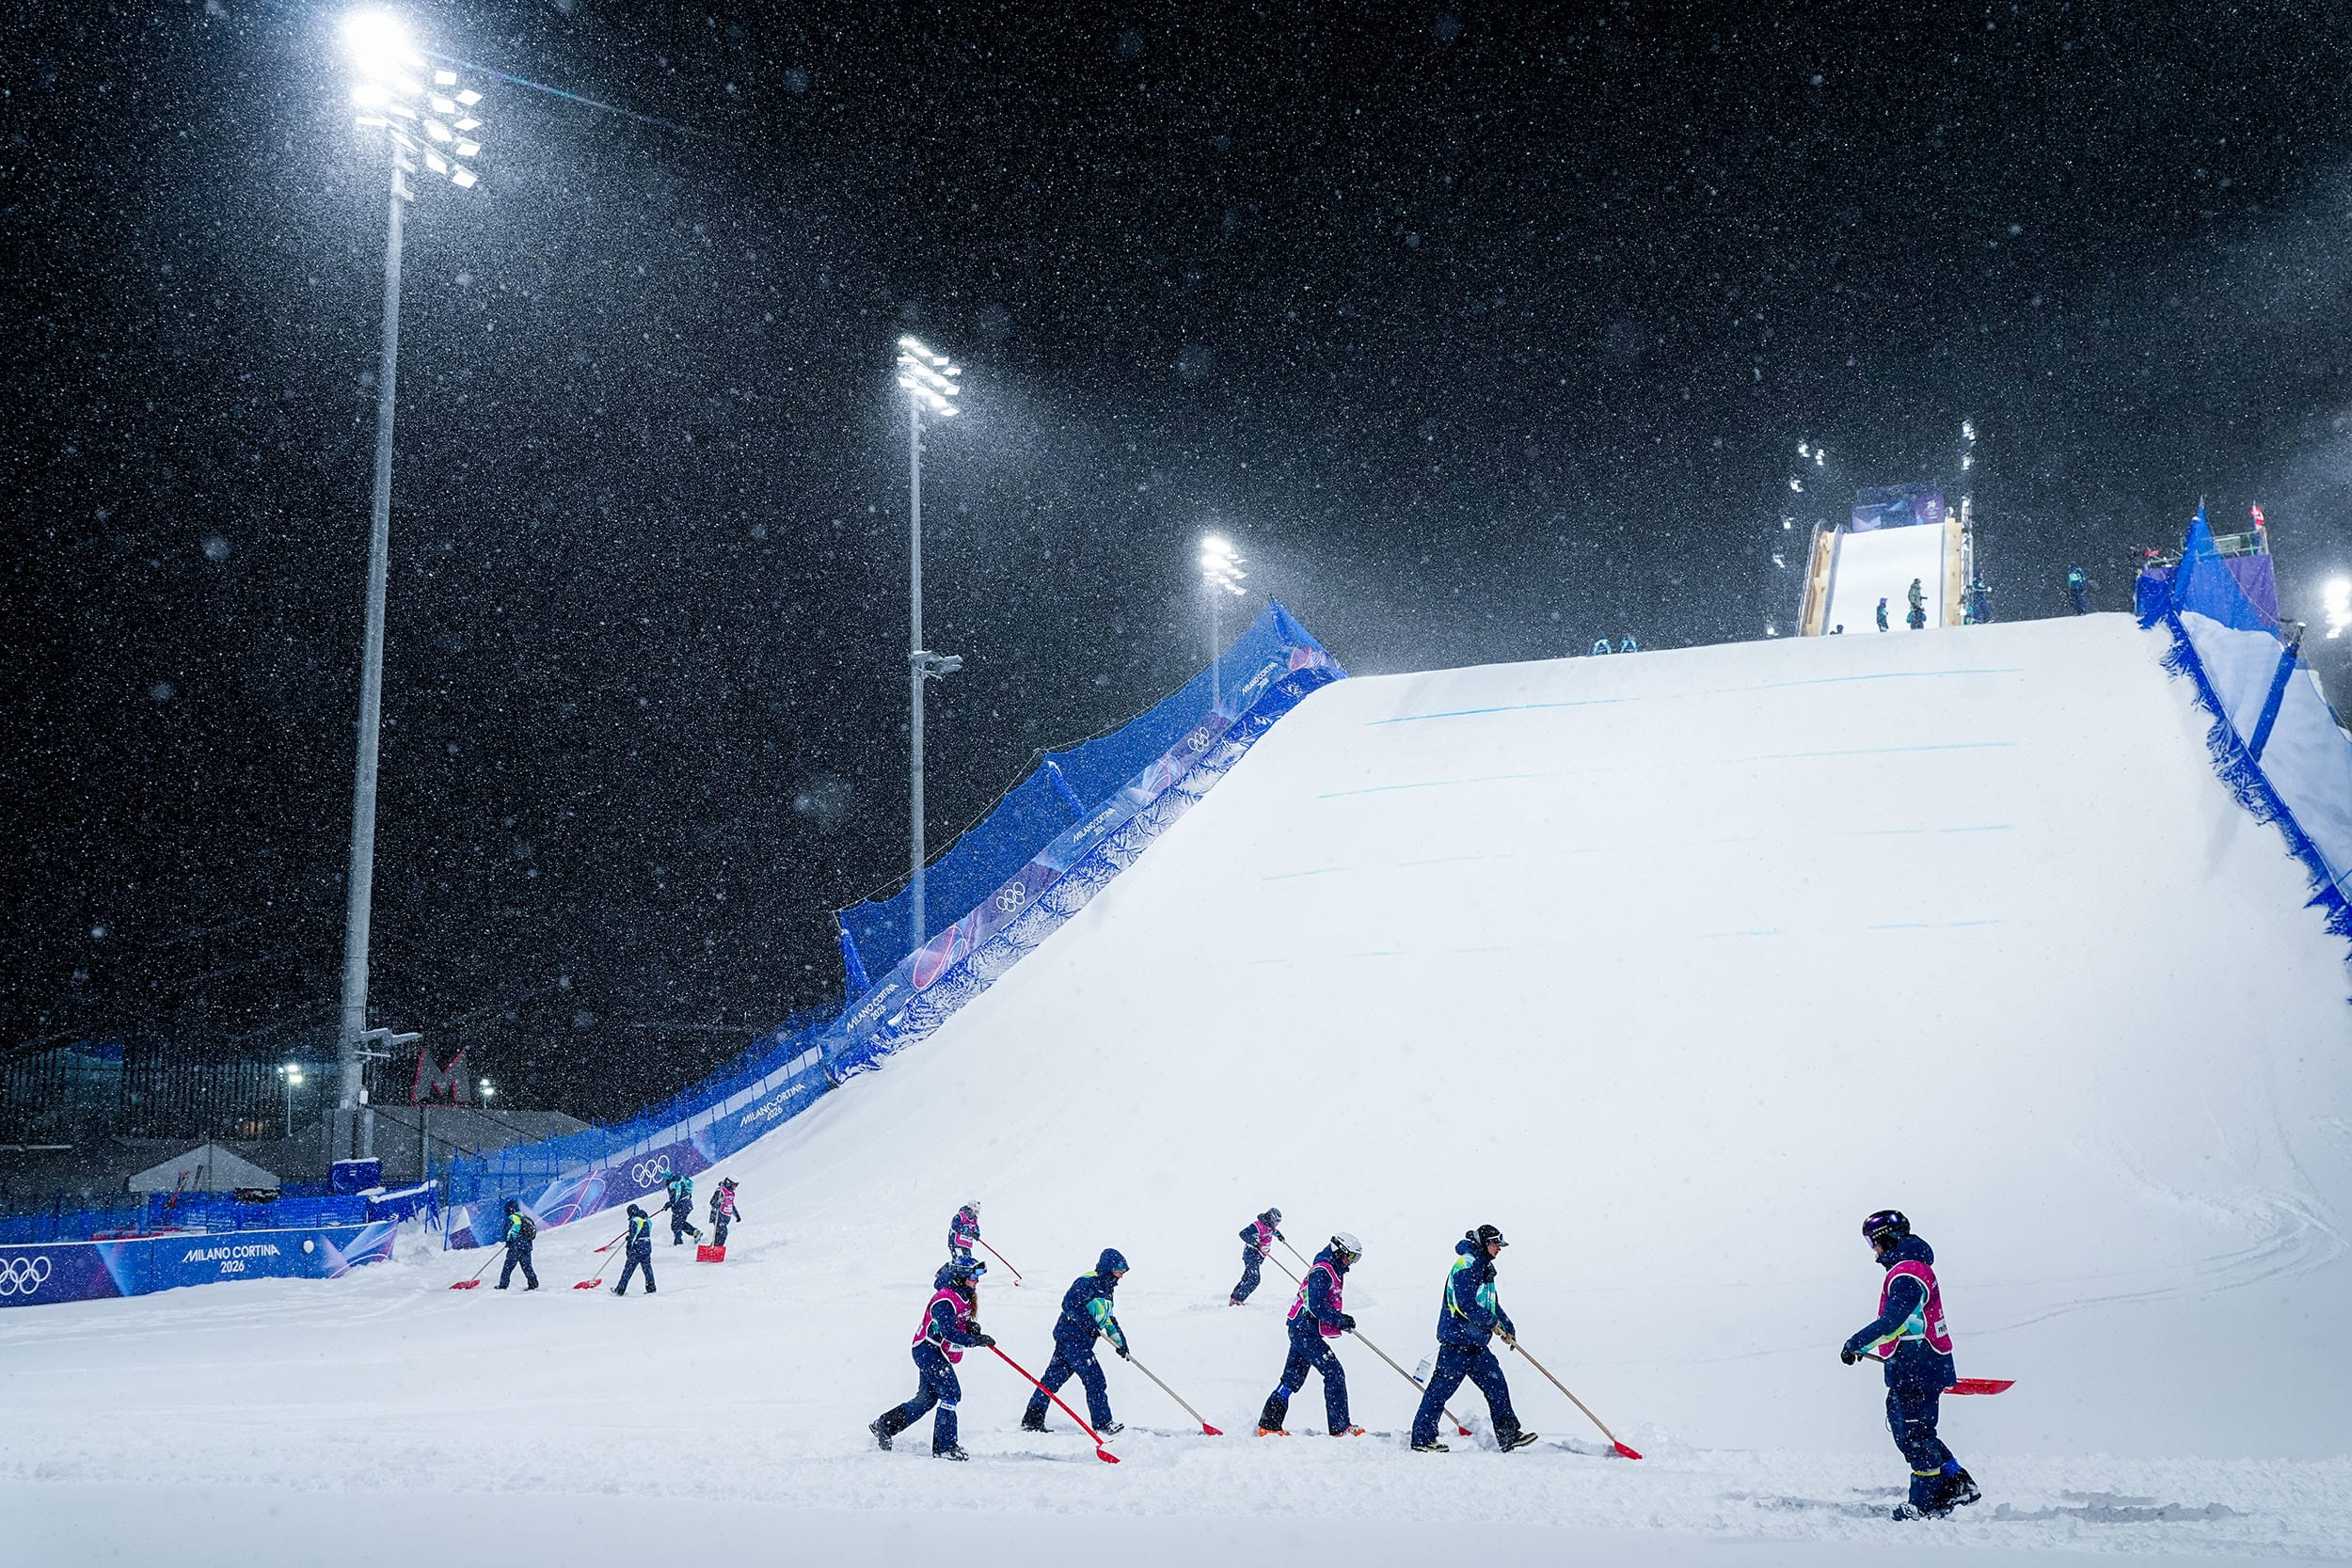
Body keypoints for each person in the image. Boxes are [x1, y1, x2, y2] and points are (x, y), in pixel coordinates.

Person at [1841, 1210, 1980, 1521]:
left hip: (1917, 1365)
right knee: (1909, 1431)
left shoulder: (1907, 1274)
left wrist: (1856, 1343)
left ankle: (1927, 1501)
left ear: (1886, 1240)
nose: (1873, 1251)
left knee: (1916, 1433)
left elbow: (1895, 1321)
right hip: (1914, 1364)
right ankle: (1957, 1481)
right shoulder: (1910, 1269)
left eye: (1872, 1243)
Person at [1411, 1224, 1534, 1453]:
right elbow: (1464, 1304)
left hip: (1476, 1345)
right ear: (1485, 1243)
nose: (1499, 1250)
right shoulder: (1466, 1265)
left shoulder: (1484, 1267)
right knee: (1439, 1392)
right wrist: (1492, 1323)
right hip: (1457, 1343)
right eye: (1496, 1245)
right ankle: (1422, 1438)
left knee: (1497, 1385)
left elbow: (1490, 1303)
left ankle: (1509, 1435)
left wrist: (1507, 1325)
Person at [872, 1257, 993, 1460]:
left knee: (926, 1400)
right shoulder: (945, 1299)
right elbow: (948, 1333)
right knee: (951, 1393)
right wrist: (975, 1340)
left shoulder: (963, 1294)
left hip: (935, 1351)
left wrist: (970, 1327)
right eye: (974, 1276)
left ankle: (884, 1425)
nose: (977, 1280)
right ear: (960, 1277)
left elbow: (957, 1323)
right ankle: (945, 1447)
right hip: (928, 1351)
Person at [1257, 1231, 1365, 1437]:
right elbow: (1316, 1305)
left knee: (1291, 1380)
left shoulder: (1332, 1267)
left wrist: (1339, 1319)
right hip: (1304, 1331)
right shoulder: (1323, 1271)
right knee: (1334, 1373)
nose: (1351, 1263)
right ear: (1338, 1250)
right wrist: (1339, 1319)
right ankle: (1340, 1428)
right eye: (1350, 1257)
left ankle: (1269, 1425)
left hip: (1303, 1329)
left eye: (1355, 1259)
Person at [1021, 1248, 1131, 1435]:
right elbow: (1069, 1304)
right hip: (1072, 1339)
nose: (1121, 1275)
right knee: (1095, 1379)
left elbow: (1108, 1319)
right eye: (1119, 1270)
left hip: (1079, 1341)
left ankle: (1032, 1420)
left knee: (1052, 1380)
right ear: (1108, 1267)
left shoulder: (1108, 1289)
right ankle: (1103, 1423)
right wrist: (1088, 1322)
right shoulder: (1087, 1282)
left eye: (1123, 1271)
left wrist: (1120, 1343)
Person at [1231, 1207, 1284, 1306]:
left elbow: (1273, 1232)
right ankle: (1238, 1299)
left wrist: (1280, 1236)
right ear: (1270, 1218)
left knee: (1247, 1277)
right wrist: (1255, 1243)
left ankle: (1234, 1297)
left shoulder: (1270, 1227)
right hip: (1251, 1253)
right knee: (1255, 1278)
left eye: (1278, 1223)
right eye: (1276, 1222)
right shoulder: (1257, 1226)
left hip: (1259, 1256)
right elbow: (1243, 1234)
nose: (1276, 1224)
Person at [495, 1197, 539, 1291]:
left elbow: (511, 1231)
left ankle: (503, 1285)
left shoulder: (513, 1218)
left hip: (516, 1247)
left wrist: (509, 1240)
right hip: (526, 1247)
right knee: (527, 1267)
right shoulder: (523, 1216)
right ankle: (533, 1284)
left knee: (507, 1267)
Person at [612, 1203, 656, 1296]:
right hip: (647, 1246)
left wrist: (629, 1247)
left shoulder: (634, 1220)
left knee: (628, 1269)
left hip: (637, 1248)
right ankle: (651, 1287)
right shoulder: (647, 1220)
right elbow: (644, 1232)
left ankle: (620, 1289)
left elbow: (633, 1235)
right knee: (647, 1268)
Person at [662, 1175, 704, 1246]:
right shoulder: (682, 1181)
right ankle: (695, 1232)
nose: (664, 1182)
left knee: (675, 1225)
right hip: (687, 1205)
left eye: (665, 1180)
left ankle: (678, 1242)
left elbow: (676, 1197)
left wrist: (669, 1204)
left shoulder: (672, 1184)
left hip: (681, 1207)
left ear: (668, 1179)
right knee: (680, 1223)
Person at [707, 1178, 742, 1247]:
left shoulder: (731, 1193)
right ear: (729, 1183)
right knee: (723, 1233)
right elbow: (712, 1202)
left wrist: (737, 1215)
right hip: (718, 1216)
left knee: (719, 1235)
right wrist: (717, 1204)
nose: (735, 1187)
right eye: (734, 1185)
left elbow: (731, 1205)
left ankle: (712, 1249)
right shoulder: (720, 1191)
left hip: (725, 1218)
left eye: (736, 1185)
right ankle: (716, 1249)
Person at [949, 1201, 981, 1267]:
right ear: (970, 1210)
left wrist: (976, 1234)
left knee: (968, 1261)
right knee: (959, 1261)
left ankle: (967, 1276)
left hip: (965, 1243)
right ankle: (945, 1272)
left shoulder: (974, 1219)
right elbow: (955, 1226)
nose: (975, 1214)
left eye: (977, 1212)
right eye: (975, 1211)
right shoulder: (959, 1216)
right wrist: (965, 1230)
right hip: (956, 1243)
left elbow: (975, 1227)